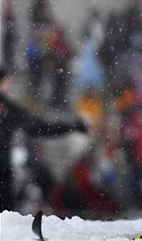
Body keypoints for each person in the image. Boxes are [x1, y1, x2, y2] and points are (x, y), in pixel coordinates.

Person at [0, 66, 88, 212]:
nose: (9, 85)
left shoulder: (10, 109)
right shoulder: (9, 109)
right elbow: (41, 127)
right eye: (6, 81)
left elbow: (38, 126)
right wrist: (72, 126)